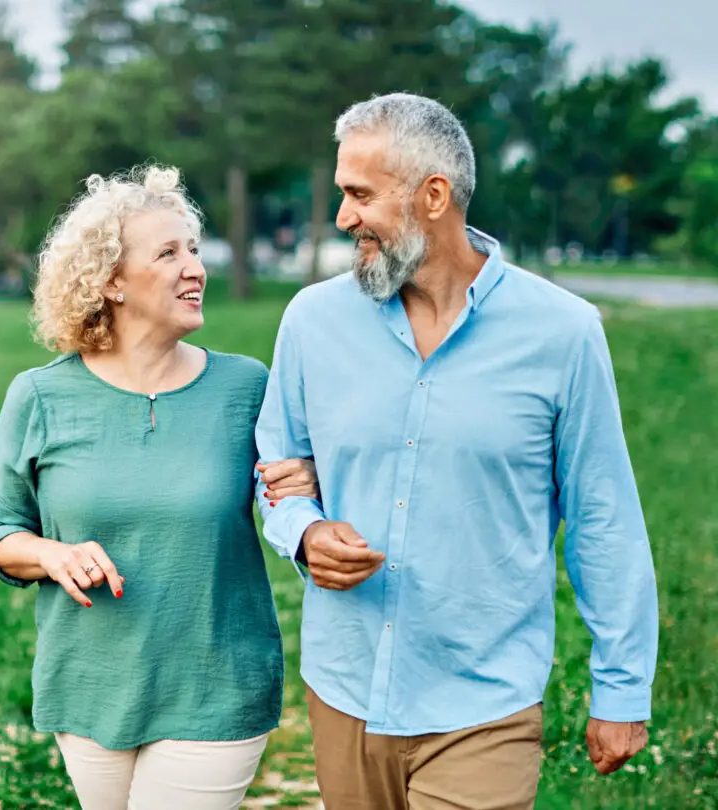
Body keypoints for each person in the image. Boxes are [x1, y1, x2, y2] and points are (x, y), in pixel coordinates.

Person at [254, 93, 659, 810]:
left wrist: (622, 685)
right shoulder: (312, 322)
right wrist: (304, 531)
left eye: (359, 194)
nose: (343, 217)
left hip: (483, 704)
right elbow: (277, 470)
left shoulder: (562, 333)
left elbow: (604, 517)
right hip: (344, 691)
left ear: (433, 196)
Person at [0, 165, 318, 810]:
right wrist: (52, 554)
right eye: (168, 253)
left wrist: (310, 482)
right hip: (89, 685)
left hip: (217, 682)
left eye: (192, 248)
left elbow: (295, 500)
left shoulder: (247, 388)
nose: (195, 267)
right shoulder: (40, 396)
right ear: (110, 282)